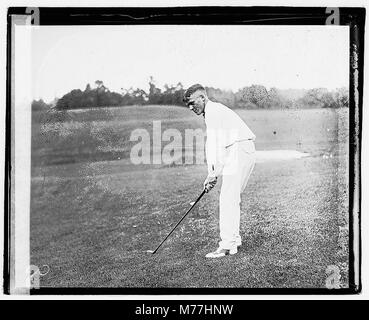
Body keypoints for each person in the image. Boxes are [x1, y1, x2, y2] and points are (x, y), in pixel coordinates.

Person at [183, 84, 256, 258]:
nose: (191, 108)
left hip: (238, 149)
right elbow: (214, 146)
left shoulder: (213, 112)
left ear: (203, 97)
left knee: (228, 198)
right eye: (189, 106)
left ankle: (226, 246)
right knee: (231, 197)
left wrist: (213, 175)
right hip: (242, 149)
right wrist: (212, 174)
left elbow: (218, 146)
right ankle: (233, 239)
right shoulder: (212, 112)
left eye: (193, 103)